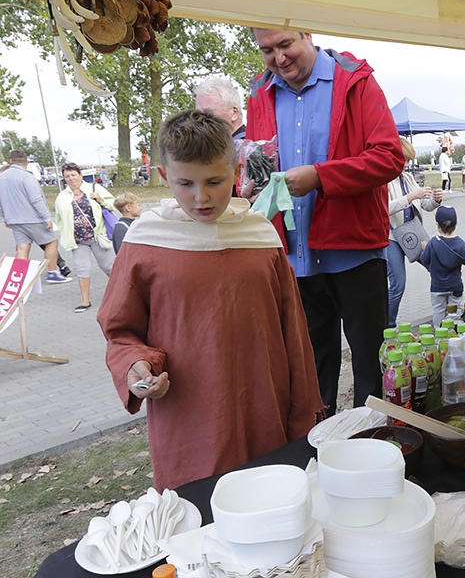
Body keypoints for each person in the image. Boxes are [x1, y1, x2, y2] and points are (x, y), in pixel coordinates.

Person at [97, 109, 323, 491]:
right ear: (165, 176)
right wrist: (137, 365)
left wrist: (304, 417)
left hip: (264, 407)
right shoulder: (146, 242)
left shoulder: (260, 237)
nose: (201, 197)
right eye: (185, 183)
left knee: (269, 501)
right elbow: (120, 331)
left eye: (214, 181)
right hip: (188, 419)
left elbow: (294, 338)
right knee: (197, 516)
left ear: (236, 174)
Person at [246, 28, 405, 416]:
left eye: (286, 45)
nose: (278, 58)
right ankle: (319, 447)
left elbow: (389, 156)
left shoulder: (356, 81)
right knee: (311, 371)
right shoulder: (259, 93)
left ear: (307, 33)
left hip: (354, 253)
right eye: (267, 50)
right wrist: (250, 181)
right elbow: (254, 161)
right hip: (292, 258)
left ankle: (373, 440)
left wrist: (321, 176)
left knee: (370, 363)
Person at [387, 138, 443, 327]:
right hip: (392, 238)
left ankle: (445, 311)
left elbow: (424, 205)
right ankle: (388, 325)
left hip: (413, 232)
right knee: (398, 285)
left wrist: (435, 200)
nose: (407, 164)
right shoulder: (383, 180)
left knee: (437, 266)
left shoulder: (408, 178)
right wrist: (410, 197)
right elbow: (382, 209)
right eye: (404, 159)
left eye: (409, 161)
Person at [0, 150, 71, 284]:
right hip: (32, 218)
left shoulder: (2, 177)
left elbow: (0, 201)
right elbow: (36, 199)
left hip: (14, 219)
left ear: (10, 161)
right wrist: (46, 217)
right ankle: (53, 273)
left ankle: (19, 278)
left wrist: (5, 217)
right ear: (26, 162)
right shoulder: (27, 176)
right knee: (51, 242)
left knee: (22, 247)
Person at [55, 163, 116, 311]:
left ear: (80, 175)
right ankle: (85, 301)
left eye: (73, 175)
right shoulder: (62, 197)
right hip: (78, 240)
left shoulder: (94, 189)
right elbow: (59, 219)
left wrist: (100, 200)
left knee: (109, 267)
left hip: (97, 236)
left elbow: (113, 203)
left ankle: (123, 295)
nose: (71, 178)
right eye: (67, 176)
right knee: (82, 269)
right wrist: (66, 235)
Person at [420, 206, 465, 327]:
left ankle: (439, 333)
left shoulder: (432, 243)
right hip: (455, 285)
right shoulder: (461, 243)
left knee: (438, 310)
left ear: (437, 225)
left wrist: (425, 249)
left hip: (438, 286)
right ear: (456, 224)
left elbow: (424, 259)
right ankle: (456, 331)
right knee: (455, 310)